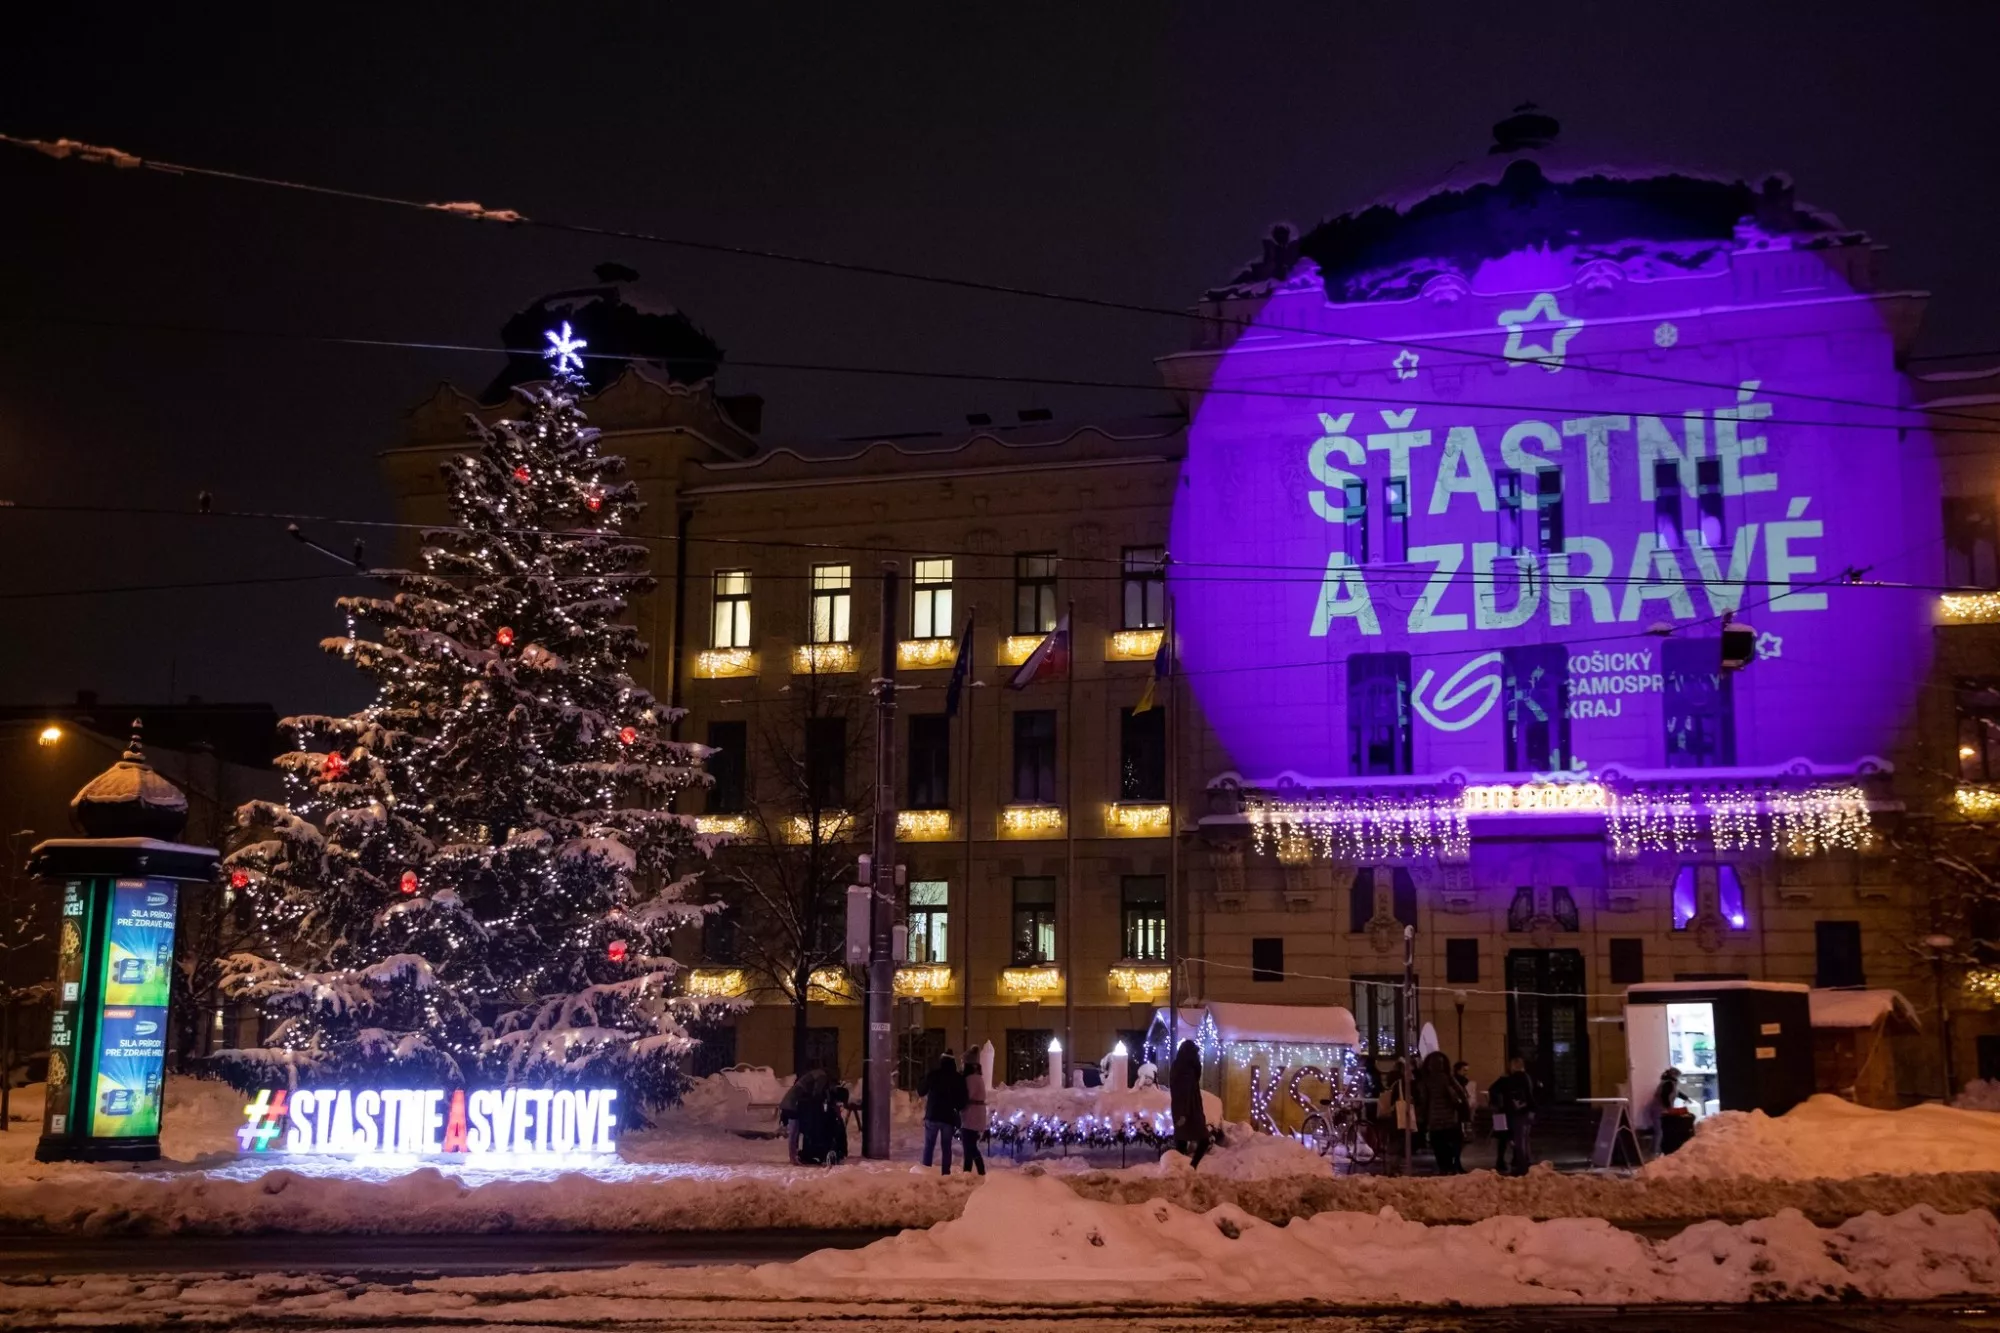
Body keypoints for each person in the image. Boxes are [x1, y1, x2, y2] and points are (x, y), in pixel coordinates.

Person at [1416, 1050, 1470, 1174]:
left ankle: (1444, 1169)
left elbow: (1424, 1102)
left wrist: (1421, 1118)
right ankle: (1452, 1167)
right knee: (1453, 1145)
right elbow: (1462, 1095)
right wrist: (1465, 1114)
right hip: (1451, 1119)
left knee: (1439, 1148)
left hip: (1434, 1121)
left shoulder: (1426, 1081)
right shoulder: (1449, 1078)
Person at [1489, 1055, 1538, 1176]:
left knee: (1510, 1139)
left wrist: (1496, 1104)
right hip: (1517, 1112)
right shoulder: (1525, 1077)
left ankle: (1513, 1163)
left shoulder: (1507, 1080)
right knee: (1520, 1139)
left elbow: (1493, 1089)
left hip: (1504, 1113)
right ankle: (1520, 1162)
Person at [921, 1051, 965, 1175]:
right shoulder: (957, 1078)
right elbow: (962, 1100)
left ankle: (925, 1171)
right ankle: (946, 1173)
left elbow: (921, 1090)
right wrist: (956, 1107)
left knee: (929, 1145)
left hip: (932, 1115)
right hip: (948, 1117)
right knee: (946, 1147)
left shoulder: (934, 1075)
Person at [1169, 1038, 1210, 1168]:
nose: (1198, 1056)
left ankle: (1183, 1170)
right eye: (1196, 1054)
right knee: (1202, 1140)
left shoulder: (1182, 1067)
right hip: (1189, 1112)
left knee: (1182, 1143)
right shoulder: (1185, 1070)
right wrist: (1182, 1114)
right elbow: (1182, 1093)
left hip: (1187, 1111)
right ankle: (1190, 1168)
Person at [779, 1066, 829, 1166]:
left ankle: (794, 1156)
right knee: (794, 1132)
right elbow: (816, 1093)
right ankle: (793, 1157)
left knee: (794, 1133)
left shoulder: (810, 1077)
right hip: (792, 1105)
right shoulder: (821, 1076)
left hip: (790, 1104)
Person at [958, 1051, 988, 1176]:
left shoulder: (970, 1079)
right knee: (970, 1145)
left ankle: (977, 1171)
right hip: (977, 1114)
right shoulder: (978, 1077)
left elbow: (966, 1096)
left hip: (971, 1115)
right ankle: (968, 1171)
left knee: (969, 1146)